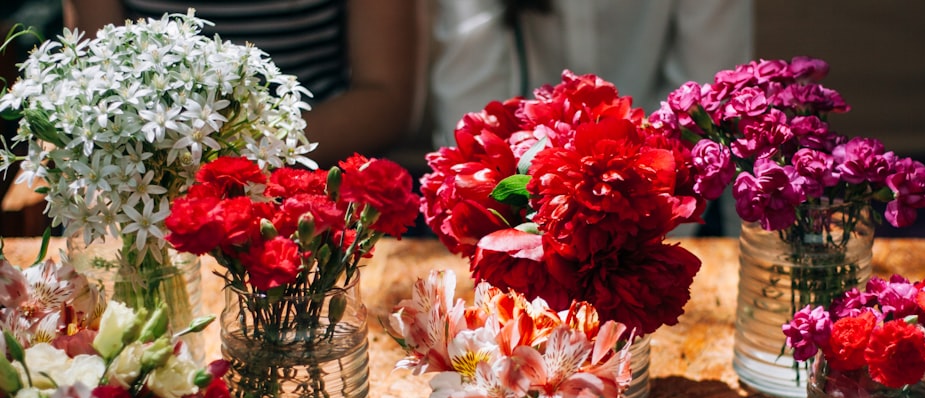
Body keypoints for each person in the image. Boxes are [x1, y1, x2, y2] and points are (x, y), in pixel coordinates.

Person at [429, 0, 754, 236]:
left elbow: (702, 99)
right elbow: (471, 95)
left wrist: (647, 229)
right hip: (526, 201)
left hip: (662, 202)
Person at [66, 0, 425, 169]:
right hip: (150, 174)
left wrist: (232, 158)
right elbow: (99, 80)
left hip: (303, 170)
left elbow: (386, 99)